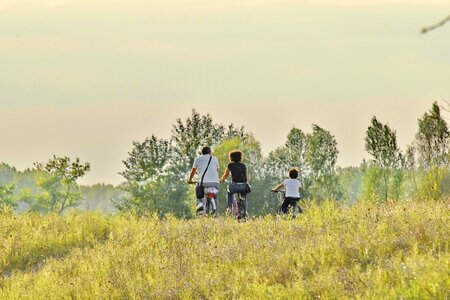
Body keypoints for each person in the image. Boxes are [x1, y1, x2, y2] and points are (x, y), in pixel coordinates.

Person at [188, 146, 220, 215]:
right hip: (215, 183)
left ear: (202, 152)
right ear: (210, 152)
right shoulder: (215, 159)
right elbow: (217, 171)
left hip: (204, 183)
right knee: (215, 197)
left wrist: (190, 180)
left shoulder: (198, 159)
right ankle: (216, 214)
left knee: (197, 188)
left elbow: (193, 172)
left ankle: (200, 203)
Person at [220, 150, 249, 219]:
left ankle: (229, 208)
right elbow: (246, 177)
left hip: (235, 186)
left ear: (231, 158)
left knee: (229, 192)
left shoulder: (230, 165)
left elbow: (226, 175)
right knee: (244, 197)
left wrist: (221, 180)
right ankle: (244, 213)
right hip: (244, 186)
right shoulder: (243, 165)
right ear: (240, 157)